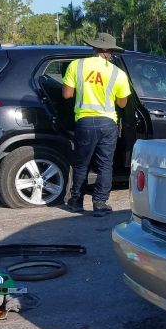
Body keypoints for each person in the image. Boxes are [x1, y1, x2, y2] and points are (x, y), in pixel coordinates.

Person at [61, 33, 131, 216]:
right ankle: (99, 204)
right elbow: (123, 103)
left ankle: (76, 201)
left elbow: (66, 95)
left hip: (83, 122)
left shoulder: (76, 65)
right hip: (107, 124)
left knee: (81, 164)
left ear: (94, 48)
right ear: (108, 52)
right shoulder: (118, 73)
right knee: (105, 165)